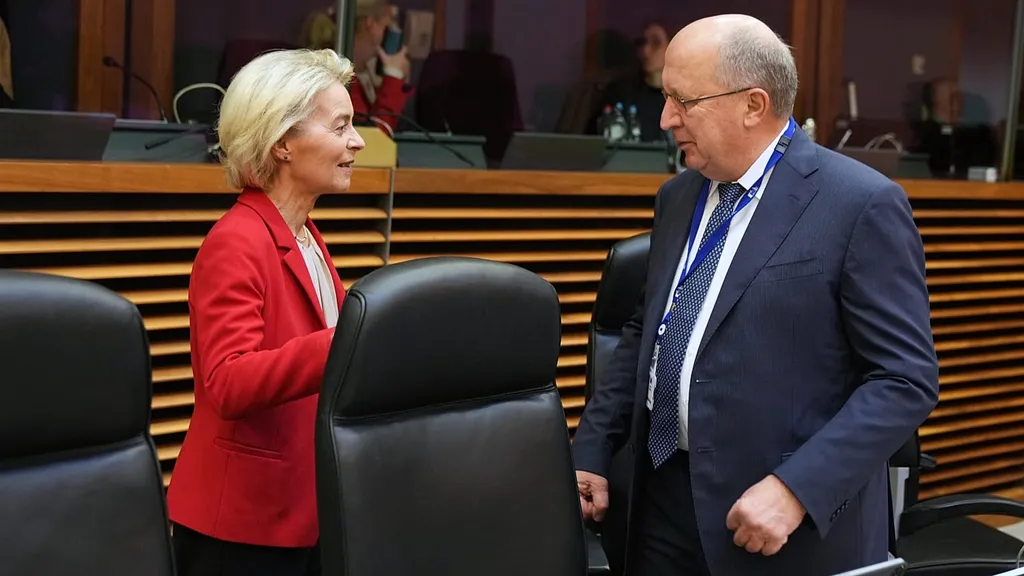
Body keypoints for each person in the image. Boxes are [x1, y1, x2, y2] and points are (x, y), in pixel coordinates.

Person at [572, 14, 939, 576]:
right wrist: (595, 448)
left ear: (753, 104)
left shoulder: (860, 203)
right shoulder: (678, 196)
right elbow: (648, 330)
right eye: (666, 97)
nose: (666, 118)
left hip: (780, 521)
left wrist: (797, 488)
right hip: (659, 501)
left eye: (683, 100)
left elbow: (903, 379)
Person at [166, 48, 365, 576]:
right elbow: (228, 382)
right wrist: (348, 341)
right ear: (282, 143)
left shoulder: (306, 234)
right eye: (340, 126)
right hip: (240, 525)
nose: (358, 141)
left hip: (304, 509)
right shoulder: (236, 240)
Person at [597, 22, 670, 142]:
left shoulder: (685, 97)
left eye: (656, 43)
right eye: (642, 43)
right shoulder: (619, 93)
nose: (645, 51)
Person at [348, 0, 412, 132]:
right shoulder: (341, 78)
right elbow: (372, 136)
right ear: (370, 23)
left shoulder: (359, 74)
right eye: (387, 26)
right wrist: (393, 77)